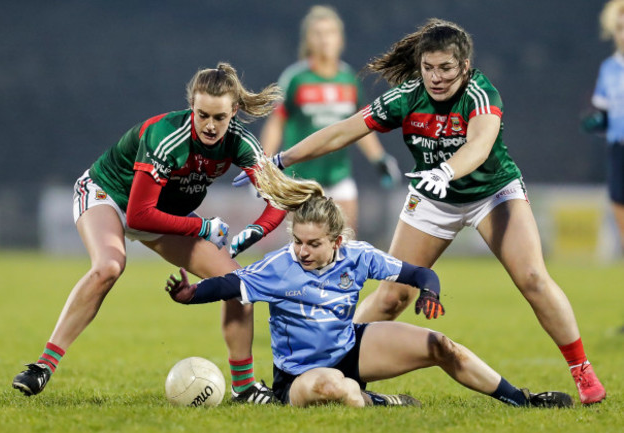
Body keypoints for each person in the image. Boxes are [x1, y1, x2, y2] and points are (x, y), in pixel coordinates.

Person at [240, 19, 607, 405]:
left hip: (491, 194)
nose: (436, 77)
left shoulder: (481, 93)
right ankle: (341, 369)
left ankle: (582, 370)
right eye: (428, 68)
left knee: (532, 277)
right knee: (390, 298)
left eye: (446, 68)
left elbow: (480, 145)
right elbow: (344, 130)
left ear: (465, 66)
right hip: (433, 199)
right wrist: (281, 158)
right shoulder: (407, 96)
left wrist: (446, 170)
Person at [165, 163, 573, 408]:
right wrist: (190, 295)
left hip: (351, 347)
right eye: (297, 241)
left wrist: (429, 291)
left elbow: (418, 274)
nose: (302, 251)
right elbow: (229, 285)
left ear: (336, 242)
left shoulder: (357, 256)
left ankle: (523, 400)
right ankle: (378, 401)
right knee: (336, 388)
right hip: (299, 374)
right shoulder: (279, 266)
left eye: (313, 244)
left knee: (441, 346)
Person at [12, 63, 286, 404]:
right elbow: (139, 215)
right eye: (202, 115)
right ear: (191, 108)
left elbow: (280, 198)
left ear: (234, 112)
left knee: (237, 284)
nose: (210, 126)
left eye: (220, 118)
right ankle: (43, 366)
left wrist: (256, 231)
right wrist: (202, 226)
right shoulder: (166, 136)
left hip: (161, 213)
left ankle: (244, 388)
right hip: (109, 196)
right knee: (109, 266)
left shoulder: (242, 144)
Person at [239, 5, 401, 233]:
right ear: (308, 40)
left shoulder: (348, 79)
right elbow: (276, 123)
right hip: (300, 179)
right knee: (306, 248)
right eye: (318, 33)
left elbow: (360, 126)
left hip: (339, 177)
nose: (325, 39)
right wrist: (262, 166)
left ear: (340, 39)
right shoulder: (296, 78)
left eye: (330, 33)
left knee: (345, 245)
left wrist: (380, 159)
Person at [582, 0, 624, 254]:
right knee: (618, 202)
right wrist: (596, 121)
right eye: (620, 27)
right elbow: (603, 111)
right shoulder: (609, 69)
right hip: (618, 147)